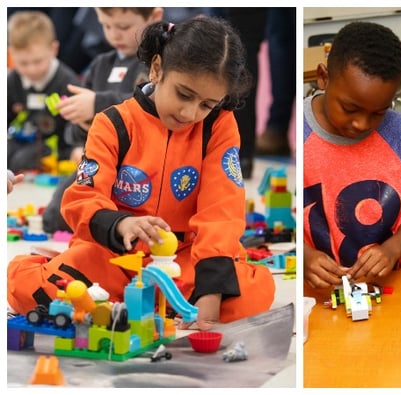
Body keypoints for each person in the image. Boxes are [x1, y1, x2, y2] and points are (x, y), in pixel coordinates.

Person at [6, 18, 274, 330]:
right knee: (26, 288)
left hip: (184, 260)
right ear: (157, 69)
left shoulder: (219, 125)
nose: (190, 113)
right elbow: (82, 198)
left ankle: (133, 304)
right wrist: (122, 224)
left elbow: (222, 208)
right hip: (113, 257)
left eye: (206, 104)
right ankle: (149, 302)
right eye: (184, 94)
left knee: (255, 293)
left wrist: (211, 291)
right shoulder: (113, 123)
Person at [302, 22, 401, 290]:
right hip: (316, 290)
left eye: (378, 112)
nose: (362, 124)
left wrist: (392, 250)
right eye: (350, 108)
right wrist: (302, 256)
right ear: (323, 77)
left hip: (392, 285)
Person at [44, 7, 163, 235]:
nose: (114, 34)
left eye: (124, 27)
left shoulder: (157, 63)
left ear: (154, 17)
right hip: (100, 161)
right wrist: (81, 125)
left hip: (141, 165)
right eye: (106, 26)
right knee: (57, 213)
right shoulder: (100, 64)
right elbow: (72, 133)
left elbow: (152, 102)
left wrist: (98, 103)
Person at [7, 11, 80, 173]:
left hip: (54, 146)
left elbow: (77, 123)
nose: (31, 69)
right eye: (23, 63)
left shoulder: (68, 82)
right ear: (11, 54)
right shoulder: (12, 81)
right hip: (21, 138)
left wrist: (76, 148)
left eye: (37, 61)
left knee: (22, 160)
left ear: (53, 50)